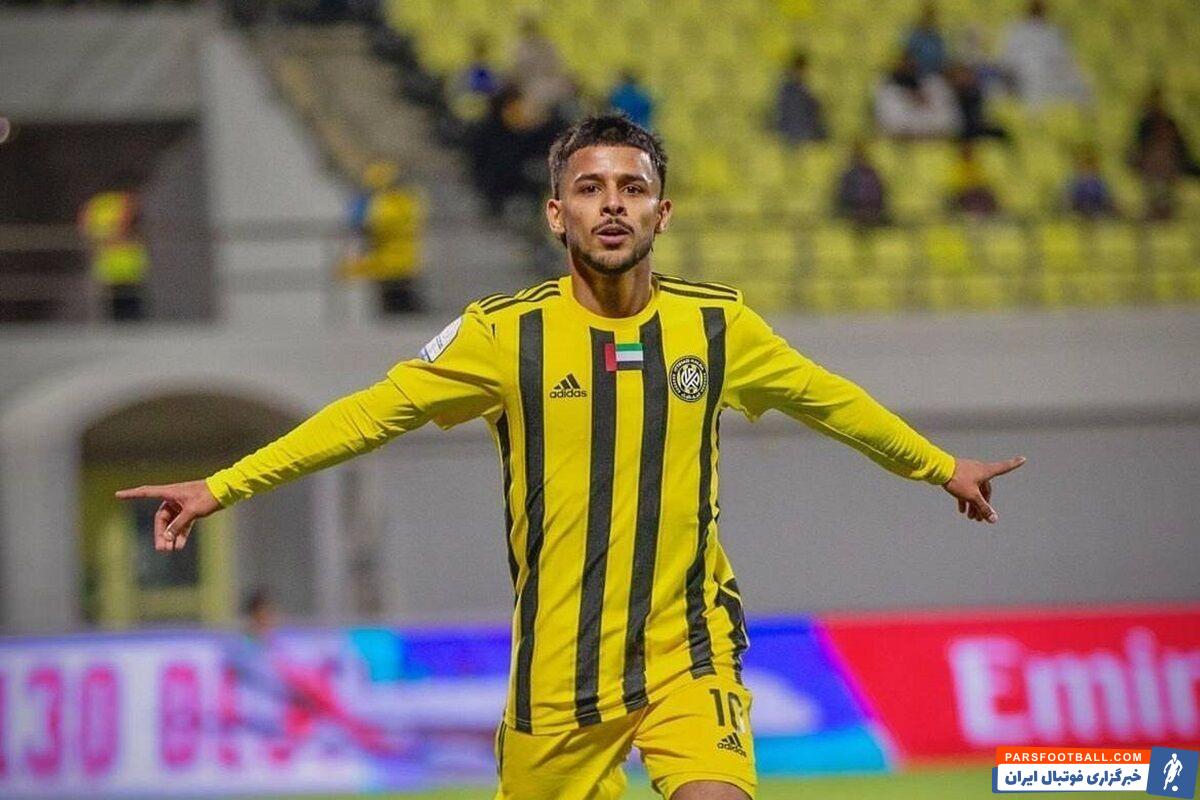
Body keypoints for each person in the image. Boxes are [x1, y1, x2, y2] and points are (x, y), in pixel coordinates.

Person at [116, 114, 1025, 800]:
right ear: (558, 214)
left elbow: (830, 399)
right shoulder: (501, 335)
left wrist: (939, 465)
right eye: (590, 188)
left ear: (662, 211)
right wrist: (223, 485)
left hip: (687, 646)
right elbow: (368, 417)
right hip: (556, 674)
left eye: (632, 188)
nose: (612, 203)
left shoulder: (718, 325)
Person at [342, 161, 425, 314]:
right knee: (402, 299)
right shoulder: (408, 200)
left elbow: (372, 227)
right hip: (404, 259)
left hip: (388, 260)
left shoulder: (383, 204)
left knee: (395, 301)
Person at [78, 181, 149, 322]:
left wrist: (101, 240)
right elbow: (129, 226)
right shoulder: (126, 200)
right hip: (128, 262)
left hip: (107, 262)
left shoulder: (94, 204)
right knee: (130, 306)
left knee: (115, 306)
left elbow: (84, 229)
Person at [999, 0, 1090, 109]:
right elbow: (1007, 58)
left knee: (1081, 85)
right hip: (1023, 77)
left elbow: (1064, 57)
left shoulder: (1053, 31)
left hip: (1052, 75)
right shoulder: (1016, 30)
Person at [1128, 84, 1200, 221]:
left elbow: (1181, 146)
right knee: (1155, 182)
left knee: (1168, 181)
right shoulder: (1144, 124)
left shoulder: (1170, 122)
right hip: (1151, 164)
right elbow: (1137, 146)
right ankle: (1156, 209)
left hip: (1170, 163)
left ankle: (1167, 209)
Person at [874, 53, 961, 140]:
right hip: (899, 146)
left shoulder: (935, 86)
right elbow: (894, 127)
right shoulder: (887, 92)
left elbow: (952, 123)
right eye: (905, 64)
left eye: (912, 65)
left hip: (939, 144)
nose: (909, 67)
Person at [774, 52, 828, 145]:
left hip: (797, 128)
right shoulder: (789, 86)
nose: (804, 72)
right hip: (794, 128)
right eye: (803, 69)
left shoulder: (797, 85)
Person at [834, 141, 889, 226]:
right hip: (852, 215)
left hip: (873, 214)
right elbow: (842, 200)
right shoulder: (848, 176)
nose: (860, 158)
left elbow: (880, 198)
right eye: (857, 155)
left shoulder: (873, 175)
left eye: (862, 155)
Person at [947, 140, 1000, 216]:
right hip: (965, 192)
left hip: (976, 191)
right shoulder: (954, 168)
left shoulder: (980, 166)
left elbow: (984, 182)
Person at [1064, 146, 1117, 218]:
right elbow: (1069, 199)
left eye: (1090, 166)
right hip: (1080, 213)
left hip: (1097, 212)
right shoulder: (1075, 182)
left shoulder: (1099, 182)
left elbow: (1107, 199)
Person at [903, 1, 947, 77]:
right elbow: (908, 55)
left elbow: (942, 59)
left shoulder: (937, 37)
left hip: (935, 75)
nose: (928, 19)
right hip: (915, 75)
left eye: (931, 16)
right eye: (926, 16)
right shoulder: (914, 35)